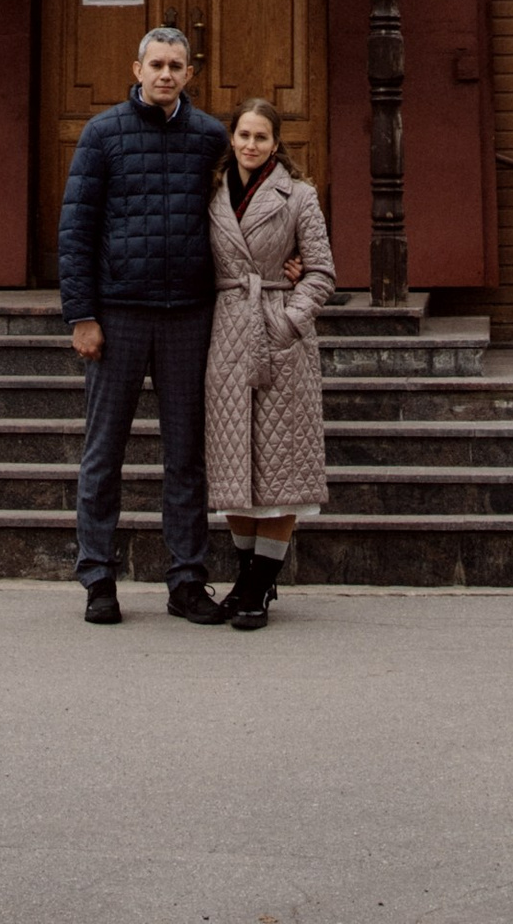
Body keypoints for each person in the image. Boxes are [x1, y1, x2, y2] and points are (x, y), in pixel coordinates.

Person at [58, 22, 228, 624]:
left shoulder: (211, 136)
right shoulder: (103, 134)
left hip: (188, 317)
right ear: (137, 70)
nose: (164, 74)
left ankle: (186, 581)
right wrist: (81, 314)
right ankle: (98, 578)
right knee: (104, 453)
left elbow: (251, 208)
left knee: (187, 456)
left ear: (190, 73)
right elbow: (76, 229)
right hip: (118, 316)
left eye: (175, 66)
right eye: (154, 64)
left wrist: (287, 256)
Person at [203, 96, 336, 629]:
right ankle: (245, 578)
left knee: (281, 466)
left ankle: (257, 587)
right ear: (230, 139)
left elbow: (323, 272)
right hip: (224, 335)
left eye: (262, 137)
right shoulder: (210, 194)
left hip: (280, 339)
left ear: (276, 144)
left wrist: (287, 319)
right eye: (243, 135)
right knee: (233, 462)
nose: (251, 145)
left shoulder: (299, 196)